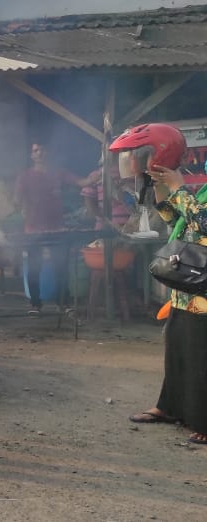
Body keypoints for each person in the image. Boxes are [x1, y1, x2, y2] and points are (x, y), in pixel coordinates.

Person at [113, 123, 207, 446]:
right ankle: (169, 407)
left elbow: (204, 223)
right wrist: (163, 194)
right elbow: (179, 222)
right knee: (178, 350)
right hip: (188, 288)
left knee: (201, 356)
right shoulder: (206, 189)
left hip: (204, 293)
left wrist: (179, 188)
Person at [13, 142, 89, 314]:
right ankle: (35, 303)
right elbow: (16, 200)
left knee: (60, 267)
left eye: (42, 150)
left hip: (57, 229)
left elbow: (82, 182)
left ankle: (63, 302)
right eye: (35, 150)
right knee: (34, 268)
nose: (39, 153)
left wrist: (99, 174)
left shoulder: (58, 173)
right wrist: (23, 207)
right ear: (32, 155)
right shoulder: (25, 176)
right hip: (32, 229)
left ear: (47, 153)